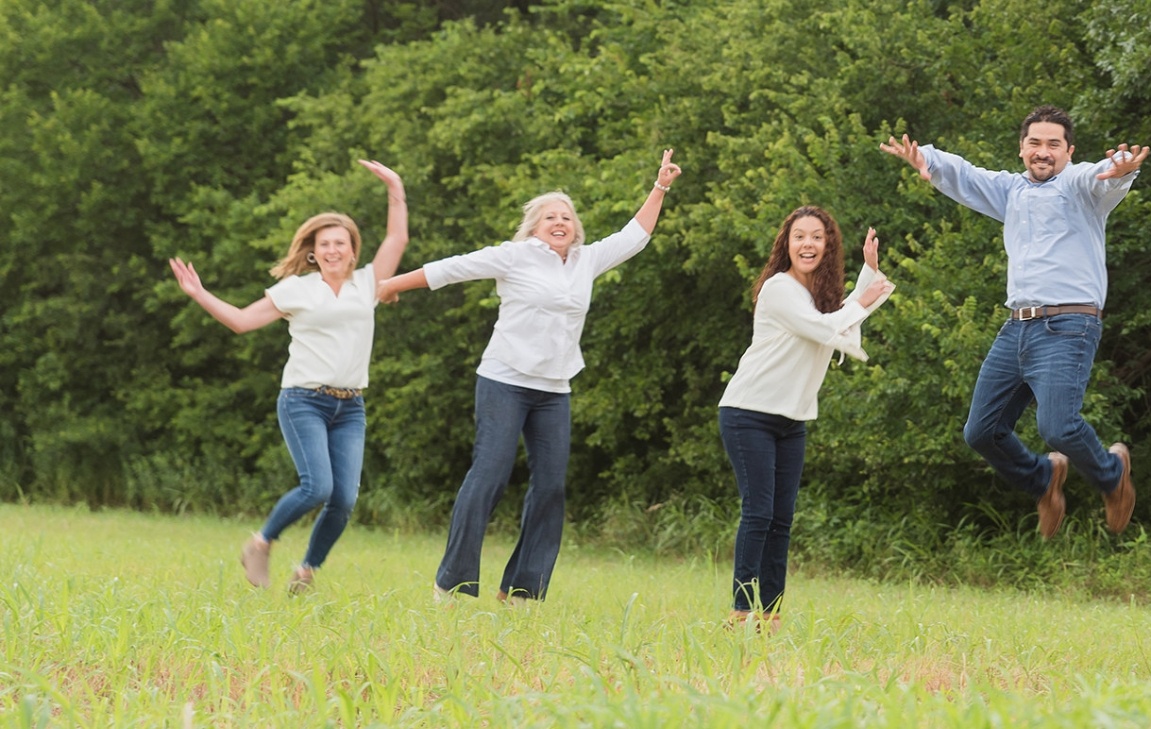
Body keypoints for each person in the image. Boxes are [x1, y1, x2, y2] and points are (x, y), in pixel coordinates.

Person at [377, 150, 682, 604]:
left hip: (554, 389)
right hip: (504, 379)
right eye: (549, 217)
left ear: (575, 227)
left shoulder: (587, 260)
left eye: (566, 217)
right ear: (535, 227)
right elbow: (451, 268)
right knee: (490, 475)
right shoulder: (515, 257)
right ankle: (453, 584)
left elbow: (634, 236)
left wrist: (660, 186)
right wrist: (390, 286)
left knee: (551, 486)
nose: (560, 222)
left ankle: (523, 589)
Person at [880, 104, 1148, 539]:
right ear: (1023, 148)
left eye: (1053, 145)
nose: (1044, 152)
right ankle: (1043, 479)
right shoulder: (1012, 192)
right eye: (1035, 144)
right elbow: (966, 175)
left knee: (1057, 426)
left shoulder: (1080, 186)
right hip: (1017, 328)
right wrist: (926, 158)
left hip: (1068, 326)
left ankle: (1112, 474)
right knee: (981, 432)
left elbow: (1100, 177)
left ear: (1068, 150)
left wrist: (1120, 168)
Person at [168, 160, 408, 591]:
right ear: (314, 253)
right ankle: (261, 543)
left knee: (344, 499)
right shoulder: (298, 289)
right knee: (317, 487)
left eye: (341, 243)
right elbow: (241, 321)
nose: (333, 250)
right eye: (324, 244)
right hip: (304, 400)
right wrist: (200, 294)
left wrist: (395, 187)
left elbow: (397, 237)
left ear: (353, 249)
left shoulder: (369, 283)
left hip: (351, 406)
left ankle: (306, 572)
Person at [718, 206, 895, 630]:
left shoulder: (819, 298)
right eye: (800, 236)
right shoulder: (779, 289)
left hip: (791, 420)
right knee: (759, 513)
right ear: (787, 243)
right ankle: (740, 611)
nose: (808, 244)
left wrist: (868, 276)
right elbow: (826, 330)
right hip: (749, 412)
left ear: (828, 246)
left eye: (817, 237)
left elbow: (839, 324)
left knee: (781, 520)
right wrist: (865, 297)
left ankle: (771, 615)